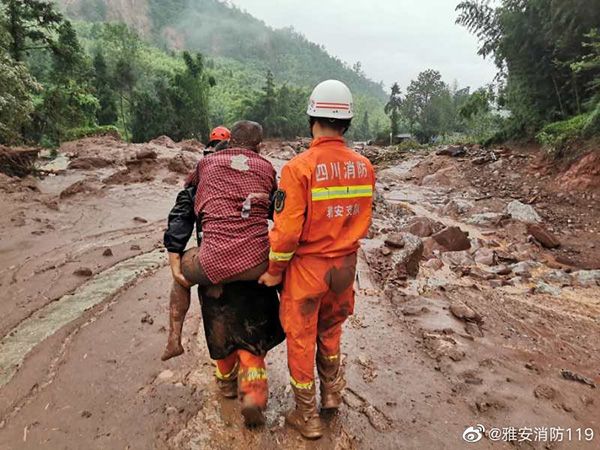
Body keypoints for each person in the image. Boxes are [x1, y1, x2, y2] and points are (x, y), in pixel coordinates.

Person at [258, 80, 376, 439]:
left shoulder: (298, 169)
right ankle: (332, 396)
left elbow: (287, 233)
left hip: (308, 270)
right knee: (331, 330)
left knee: (301, 338)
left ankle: (306, 416)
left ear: (312, 118)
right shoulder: (364, 167)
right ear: (347, 122)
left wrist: (274, 272)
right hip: (344, 268)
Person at [163, 120, 284, 426]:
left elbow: (183, 208)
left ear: (229, 142)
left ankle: (176, 340)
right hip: (258, 265)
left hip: (211, 265)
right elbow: (280, 213)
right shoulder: (266, 168)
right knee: (254, 340)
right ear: (259, 146)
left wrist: (174, 251)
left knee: (181, 277)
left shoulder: (205, 165)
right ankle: (254, 394)